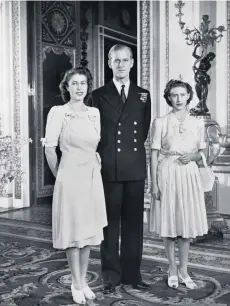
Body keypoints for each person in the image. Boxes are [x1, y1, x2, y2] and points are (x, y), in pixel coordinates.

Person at [43, 67, 107, 304]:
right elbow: (50, 148)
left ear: (88, 87)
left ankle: (83, 280)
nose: (79, 88)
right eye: (74, 83)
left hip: (91, 177)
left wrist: (96, 162)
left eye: (83, 83)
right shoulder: (59, 112)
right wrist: (60, 175)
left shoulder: (94, 113)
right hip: (69, 177)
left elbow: (95, 146)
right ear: (66, 87)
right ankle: (76, 282)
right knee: (73, 231)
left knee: (88, 232)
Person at [92, 44, 151, 294]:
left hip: (135, 167)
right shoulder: (97, 94)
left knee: (133, 224)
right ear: (109, 62)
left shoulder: (143, 95)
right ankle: (111, 275)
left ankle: (132, 274)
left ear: (132, 62)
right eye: (116, 60)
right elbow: (96, 132)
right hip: (109, 169)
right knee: (110, 225)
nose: (121, 65)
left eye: (125, 60)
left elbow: (143, 131)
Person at [150, 79, 208, 290]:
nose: (178, 99)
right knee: (170, 224)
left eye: (182, 95)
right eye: (174, 95)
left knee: (186, 224)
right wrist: (154, 184)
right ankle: (172, 268)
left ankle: (184, 270)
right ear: (168, 97)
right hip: (167, 172)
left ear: (188, 96)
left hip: (189, 175)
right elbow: (154, 153)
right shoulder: (160, 122)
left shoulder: (197, 123)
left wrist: (193, 156)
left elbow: (203, 153)